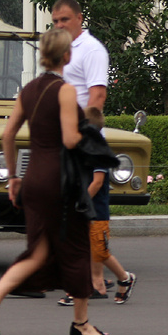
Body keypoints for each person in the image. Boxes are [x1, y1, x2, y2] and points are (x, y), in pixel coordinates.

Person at [0, 28, 112, 335]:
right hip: (59, 183)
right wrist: (93, 136)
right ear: (67, 56)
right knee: (76, 248)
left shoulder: (29, 90)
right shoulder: (65, 91)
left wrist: (14, 178)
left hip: (33, 179)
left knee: (39, 252)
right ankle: (81, 324)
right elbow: (70, 139)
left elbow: (8, 135)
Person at [58, 107, 137, 307]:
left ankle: (125, 278)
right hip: (84, 211)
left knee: (100, 252)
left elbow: (97, 183)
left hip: (96, 212)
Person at [51, 0, 109, 112]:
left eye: (64, 19)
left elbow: (98, 96)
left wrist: (84, 128)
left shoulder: (91, 49)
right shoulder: (58, 49)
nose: (59, 25)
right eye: (56, 21)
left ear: (79, 18)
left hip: (79, 127)